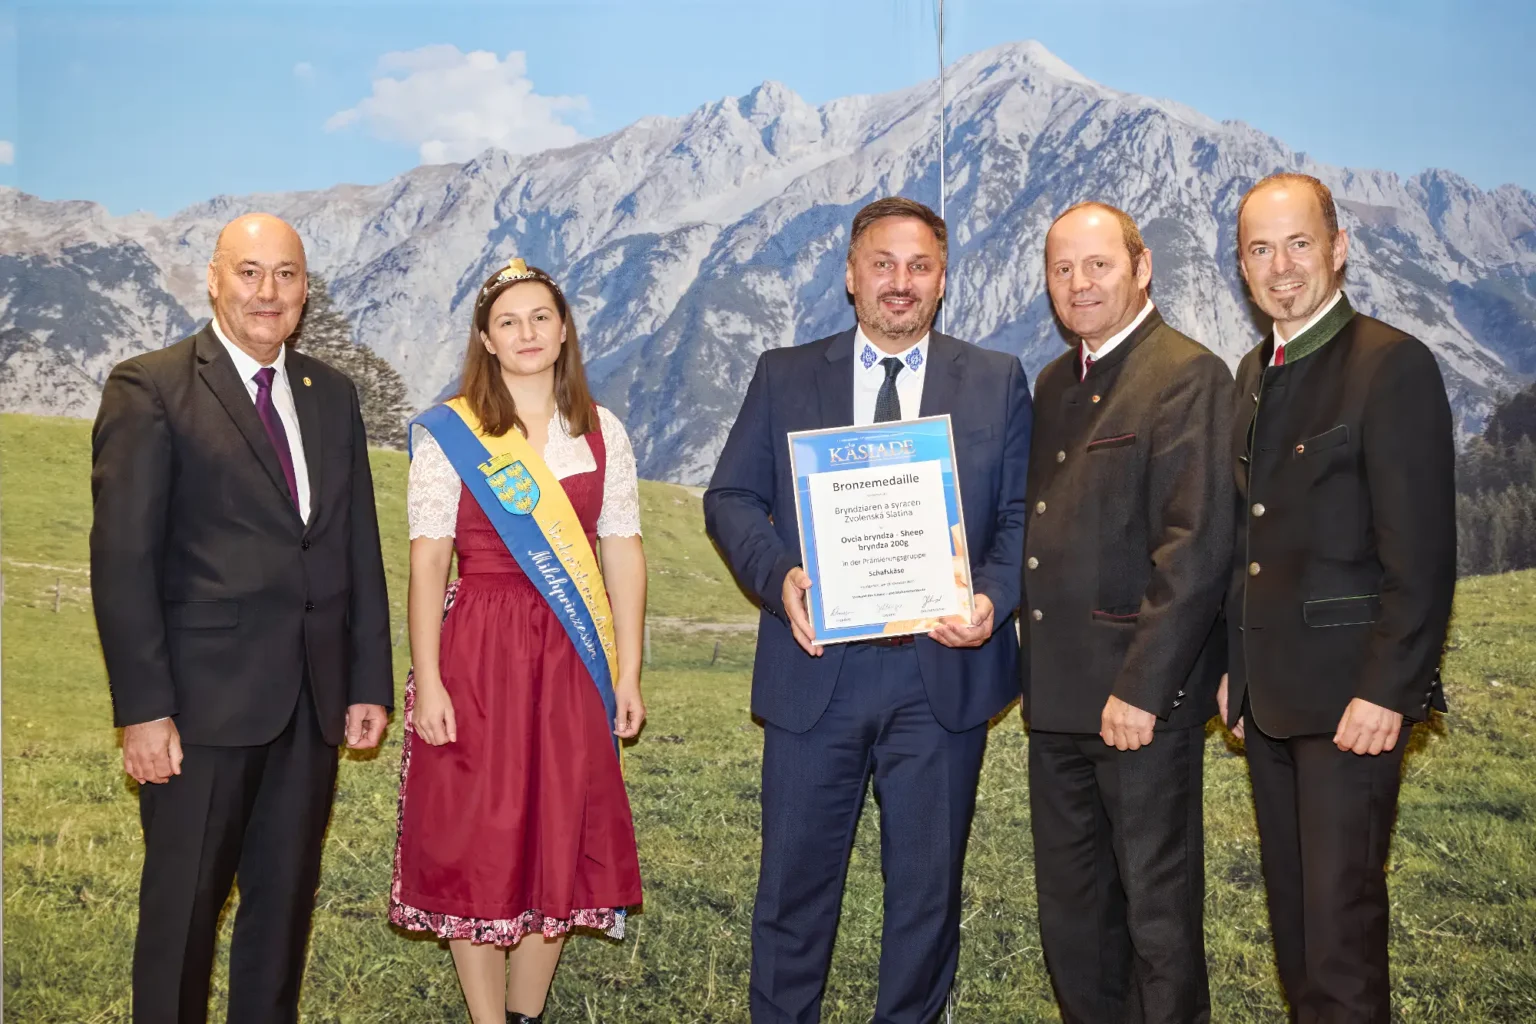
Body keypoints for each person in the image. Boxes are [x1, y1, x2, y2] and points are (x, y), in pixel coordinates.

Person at [705, 197, 1032, 1023]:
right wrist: (780, 577)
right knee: (792, 892)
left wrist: (992, 600)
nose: (900, 282)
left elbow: (1021, 518)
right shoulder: (785, 374)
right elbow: (731, 498)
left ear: (943, 280)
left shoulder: (995, 380)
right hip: (816, 671)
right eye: (882, 264)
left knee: (926, 899)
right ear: (851, 276)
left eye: (919, 266)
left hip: (941, 677)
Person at [89, 213, 393, 1023]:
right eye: (250, 272)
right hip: (199, 711)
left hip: (311, 706)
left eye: (286, 274)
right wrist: (143, 710)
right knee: (181, 920)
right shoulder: (151, 387)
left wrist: (367, 680)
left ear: (305, 289)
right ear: (214, 279)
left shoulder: (331, 394)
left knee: (282, 916)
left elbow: (354, 544)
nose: (268, 292)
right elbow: (122, 561)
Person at [1220, 173, 1456, 1022]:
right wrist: (1237, 674)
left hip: (1353, 705)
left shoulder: (1391, 364)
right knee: (1296, 937)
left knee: (1340, 945)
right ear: (1242, 267)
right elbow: (1251, 543)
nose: (1281, 267)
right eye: (1260, 249)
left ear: (1338, 248)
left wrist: (1389, 691)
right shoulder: (1254, 372)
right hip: (1271, 704)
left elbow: (1422, 557)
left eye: (1298, 244)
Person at [390, 258, 647, 1024]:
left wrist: (629, 673)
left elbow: (622, 550)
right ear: (486, 339)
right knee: (477, 831)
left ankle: (527, 1015)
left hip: (572, 654)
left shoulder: (602, 431)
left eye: (540, 317)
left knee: (558, 826)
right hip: (480, 650)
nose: (526, 332)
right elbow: (428, 560)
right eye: (508, 321)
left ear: (563, 330)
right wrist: (429, 679)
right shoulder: (454, 433)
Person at [1020, 202, 1233, 1024]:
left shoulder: (1186, 375)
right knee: (1075, 922)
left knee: (1156, 922)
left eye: (1098, 265)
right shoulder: (1053, 382)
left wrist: (1143, 690)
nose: (1079, 283)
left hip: (1137, 707)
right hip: (1056, 702)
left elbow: (1195, 547)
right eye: (1062, 269)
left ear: (1142, 268)